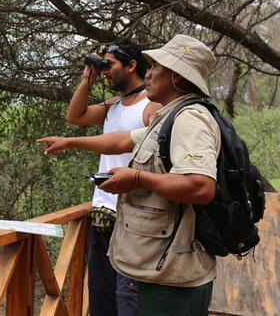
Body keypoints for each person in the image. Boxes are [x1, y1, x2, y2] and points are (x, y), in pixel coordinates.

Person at [38, 34, 219, 315]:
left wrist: (136, 178)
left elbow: (201, 187)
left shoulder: (187, 118)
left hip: (163, 253)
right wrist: (70, 141)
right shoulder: (168, 115)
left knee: (129, 303)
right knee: (106, 297)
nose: (151, 73)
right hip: (137, 236)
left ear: (177, 78)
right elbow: (122, 140)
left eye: (157, 66)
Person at [67, 39, 160, 316]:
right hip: (102, 210)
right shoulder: (114, 105)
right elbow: (76, 116)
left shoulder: (151, 106)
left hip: (132, 215)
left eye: (110, 65)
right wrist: (88, 79)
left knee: (128, 298)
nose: (105, 71)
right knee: (101, 294)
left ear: (131, 65)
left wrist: (71, 142)